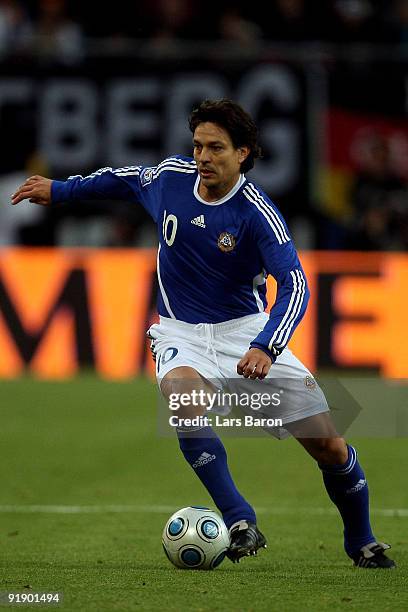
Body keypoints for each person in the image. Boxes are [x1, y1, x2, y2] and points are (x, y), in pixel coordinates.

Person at [11, 99, 395, 569]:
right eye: (197, 146)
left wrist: (265, 345)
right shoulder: (170, 179)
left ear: (243, 154)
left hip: (245, 332)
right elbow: (123, 179)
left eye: (216, 148)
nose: (203, 157)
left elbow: (295, 285)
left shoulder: (257, 214)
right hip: (180, 332)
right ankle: (238, 518)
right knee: (182, 400)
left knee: (329, 446)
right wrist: (61, 189)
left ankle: (362, 541)